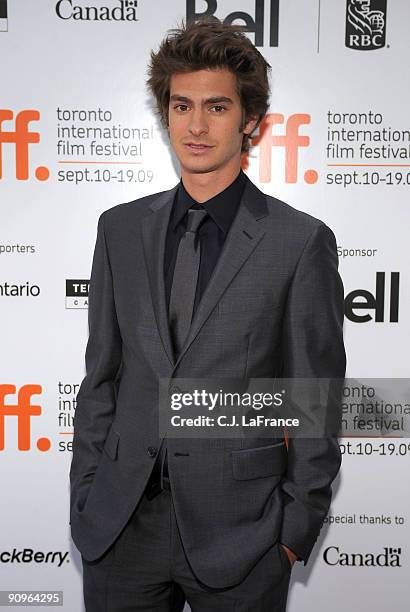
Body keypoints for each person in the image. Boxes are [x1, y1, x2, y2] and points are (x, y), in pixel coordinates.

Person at [69, 18, 346, 612]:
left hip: (243, 536)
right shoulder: (118, 229)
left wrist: (291, 536)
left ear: (250, 120)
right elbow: (101, 379)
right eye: (182, 105)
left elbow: (313, 399)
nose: (196, 126)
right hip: (119, 528)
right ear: (165, 113)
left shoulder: (299, 243)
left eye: (217, 107)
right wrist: (88, 494)